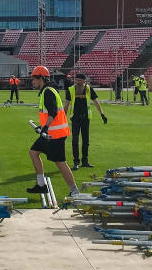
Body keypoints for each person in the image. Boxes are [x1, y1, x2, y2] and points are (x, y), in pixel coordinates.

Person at [26, 65, 81, 197]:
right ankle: (41, 185)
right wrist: (43, 126)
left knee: (60, 163)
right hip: (50, 133)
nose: (32, 81)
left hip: (54, 135)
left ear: (42, 78)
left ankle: (75, 192)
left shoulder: (48, 91)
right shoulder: (49, 90)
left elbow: (53, 112)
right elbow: (49, 114)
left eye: (34, 78)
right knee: (33, 152)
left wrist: (45, 127)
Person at [65, 72, 107, 169]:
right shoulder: (71, 90)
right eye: (76, 80)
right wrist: (63, 117)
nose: (77, 82)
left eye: (79, 80)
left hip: (85, 118)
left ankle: (85, 161)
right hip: (75, 118)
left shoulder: (89, 89)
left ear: (84, 80)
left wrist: (102, 114)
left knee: (86, 140)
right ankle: (76, 162)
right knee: (75, 140)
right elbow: (66, 104)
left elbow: (96, 102)